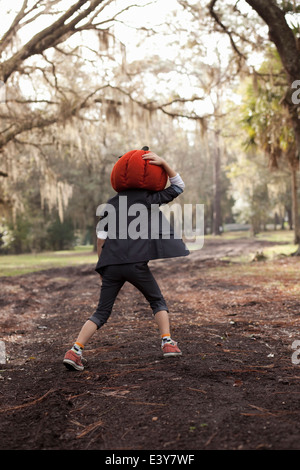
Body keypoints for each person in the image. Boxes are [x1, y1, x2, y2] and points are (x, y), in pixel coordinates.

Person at [63, 151, 189, 371]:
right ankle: (168, 343)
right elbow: (178, 187)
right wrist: (164, 163)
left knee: (101, 312)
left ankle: (75, 350)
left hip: (110, 263)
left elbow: (100, 241)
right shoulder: (148, 199)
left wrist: (102, 268)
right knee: (157, 301)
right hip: (136, 264)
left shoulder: (109, 205)